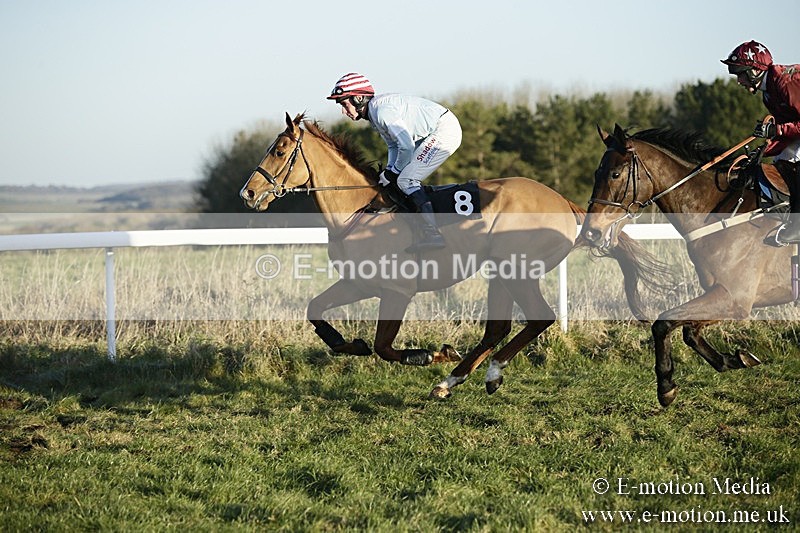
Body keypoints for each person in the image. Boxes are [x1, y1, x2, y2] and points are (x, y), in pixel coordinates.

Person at [327, 72, 462, 252]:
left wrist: (393, 172)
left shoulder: (381, 112)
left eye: (344, 104)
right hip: (431, 132)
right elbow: (393, 146)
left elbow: (406, 146)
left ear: (358, 98)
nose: (344, 111)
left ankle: (433, 234)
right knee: (399, 180)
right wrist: (389, 171)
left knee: (406, 180)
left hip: (443, 131)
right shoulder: (375, 113)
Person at [722, 40, 800, 243]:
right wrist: (763, 150)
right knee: (779, 163)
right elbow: (787, 134)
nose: (738, 80)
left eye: (740, 73)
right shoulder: (768, 93)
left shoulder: (784, 83)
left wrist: (777, 129)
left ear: (755, 71)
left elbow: (789, 127)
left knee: (793, 162)